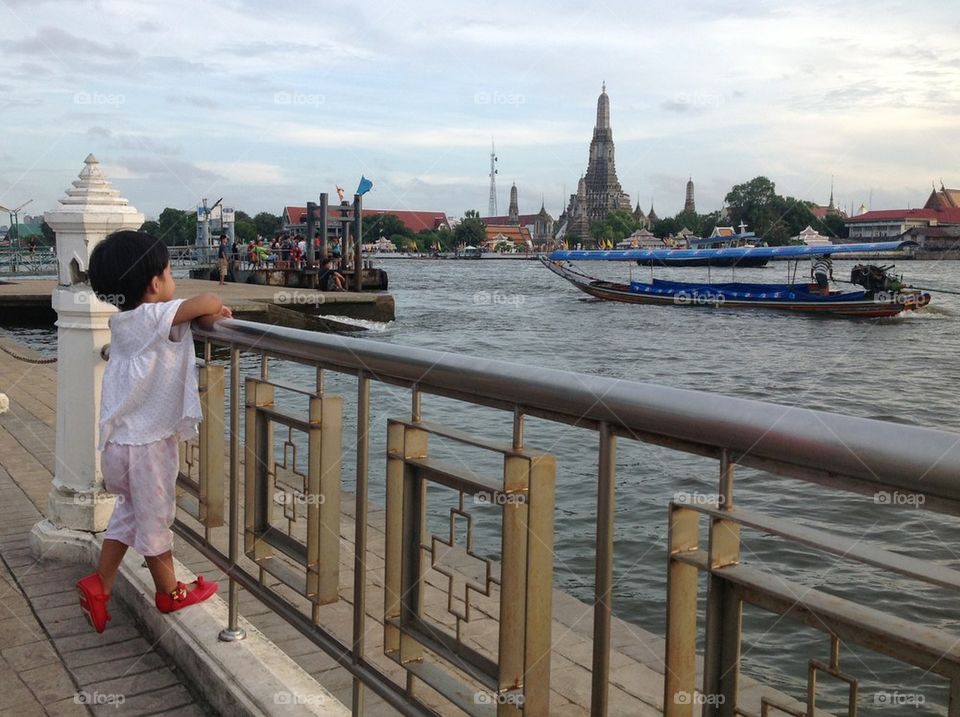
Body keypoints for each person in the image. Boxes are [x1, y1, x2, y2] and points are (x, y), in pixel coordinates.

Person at [77, 230, 232, 633]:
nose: (172, 276)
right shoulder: (152, 315)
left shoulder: (125, 321)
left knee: (130, 511)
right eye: (169, 270)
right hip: (146, 447)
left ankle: (100, 582)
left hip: (118, 446)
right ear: (154, 284)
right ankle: (169, 592)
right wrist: (213, 307)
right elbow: (208, 302)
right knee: (155, 518)